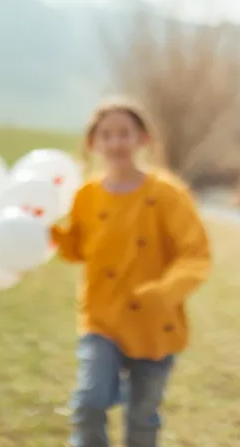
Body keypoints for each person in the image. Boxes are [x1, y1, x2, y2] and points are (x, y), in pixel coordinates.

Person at [51, 97, 212, 447]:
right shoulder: (86, 195)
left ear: (143, 139)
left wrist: (164, 292)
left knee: (142, 418)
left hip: (155, 326)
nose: (115, 143)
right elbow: (78, 249)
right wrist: (51, 233)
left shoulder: (167, 194)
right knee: (90, 401)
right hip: (101, 318)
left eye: (124, 133)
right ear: (94, 143)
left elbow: (196, 255)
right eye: (106, 135)